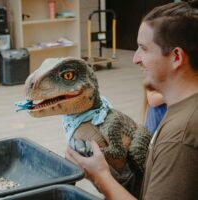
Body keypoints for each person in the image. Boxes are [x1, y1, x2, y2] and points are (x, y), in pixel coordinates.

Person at [66, 1, 198, 199]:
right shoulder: (183, 111)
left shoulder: (179, 136)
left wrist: (101, 175)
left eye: (144, 49)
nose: (135, 59)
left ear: (176, 56)